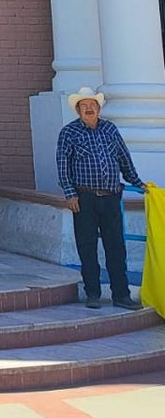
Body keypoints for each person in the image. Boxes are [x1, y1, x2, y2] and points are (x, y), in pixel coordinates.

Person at [56, 86, 146, 310]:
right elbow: (63, 165)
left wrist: (137, 182)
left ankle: (121, 295)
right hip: (84, 198)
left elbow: (124, 159)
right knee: (87, 246)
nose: (88, 109)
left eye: (92, 105)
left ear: (98, 108)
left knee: (116, 246)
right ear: (78, 110)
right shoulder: (69, 132)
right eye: (84, 106)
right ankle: (93, 293)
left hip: (111, 197)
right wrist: (70, 193)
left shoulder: (110, 129)